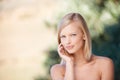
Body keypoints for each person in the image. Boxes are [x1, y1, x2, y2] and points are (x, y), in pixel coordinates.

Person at [50, 13, 114, 80]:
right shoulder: (57, 70)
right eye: (63, 36)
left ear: (84, 35)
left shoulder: (105, 64)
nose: (67, 42)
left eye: (73, 35)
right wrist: (69, 62)